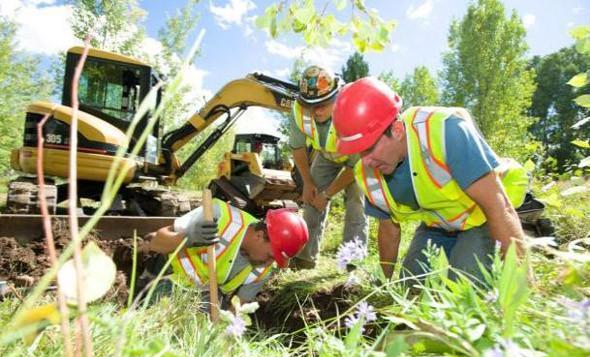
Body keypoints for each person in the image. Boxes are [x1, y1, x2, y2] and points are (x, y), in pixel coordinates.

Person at [331, 77, 528, 285]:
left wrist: (523, 283)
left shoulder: (445, 130)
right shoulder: (367, 172)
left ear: (397, 130)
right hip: (438, 227)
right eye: (360, 151)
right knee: (410, 288)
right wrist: (384, 285)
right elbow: (388, 229)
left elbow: (498, 207)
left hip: (483, 219)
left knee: (462, 287)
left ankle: (525, 236)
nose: (366, 160)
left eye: (370, 148)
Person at [140, 198, 309, 304]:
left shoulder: (261, 271)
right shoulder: (218, 216)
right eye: (271, 256)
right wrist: (187, 239)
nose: (269, 263)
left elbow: (238, 310)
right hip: (169, 279)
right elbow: (156, 242)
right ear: (259, 235)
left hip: (204, 298)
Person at [289, 65, 368, 269]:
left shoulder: (353, 111)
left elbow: (353, 168)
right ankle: (305, 258)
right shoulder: (299, 112)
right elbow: (298, 148)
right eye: (311, 105)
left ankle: (352, 262)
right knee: (311, 201)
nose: (317, 111)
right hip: (326, 154)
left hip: (356, 158)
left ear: (338, 96)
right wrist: (307, 182)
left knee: (356, 204)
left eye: (324, 103)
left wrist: (327, 195)